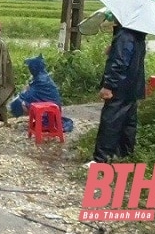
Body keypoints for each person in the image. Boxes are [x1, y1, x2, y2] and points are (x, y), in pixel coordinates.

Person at [88, 20, 147, 167]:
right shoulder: (138, 34)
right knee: (128, 122)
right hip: (133, 86)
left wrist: (108, 85)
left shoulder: (125, 35)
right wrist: (114, 47)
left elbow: (119, 62)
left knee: (110, 121)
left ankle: (101, 160)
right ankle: (124, 154)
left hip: (119, 87)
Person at [9, 54, 74, 133]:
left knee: (19, 103)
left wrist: (23, 92)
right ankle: (41, 120)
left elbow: (28, 96)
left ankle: (43, 121)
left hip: (50, 109)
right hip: (52, 106)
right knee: (21, 101)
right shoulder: (42, 76)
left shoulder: (40, 80)